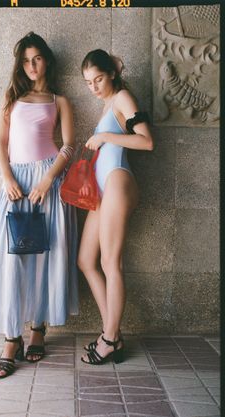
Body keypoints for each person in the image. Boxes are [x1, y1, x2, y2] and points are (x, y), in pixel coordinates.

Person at [0, 32, 78, 378]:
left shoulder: (60, 100)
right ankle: (10, 340)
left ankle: (38, 330)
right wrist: (7, 178)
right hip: (15, 185)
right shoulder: (11, 98)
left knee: (45, 257)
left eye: (37, 58)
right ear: (20, 63)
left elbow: (70, 145)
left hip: (48, 183)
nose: (31, 65)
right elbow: (0, 143)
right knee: (10, 260)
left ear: (47, 60)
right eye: (26, 59)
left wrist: (48, 180)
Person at [78, 49, 154, 365]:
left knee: (111, 262)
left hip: (119, 182)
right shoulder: (109, 104)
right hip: (104, 189)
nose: (94, 87)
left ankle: (109, 339)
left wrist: (106, 135)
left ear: (111, 73)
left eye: (98, 79)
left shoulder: (122, 97)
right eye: (88, 82)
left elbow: (147, 141)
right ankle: (114, 334)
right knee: (86, 260)